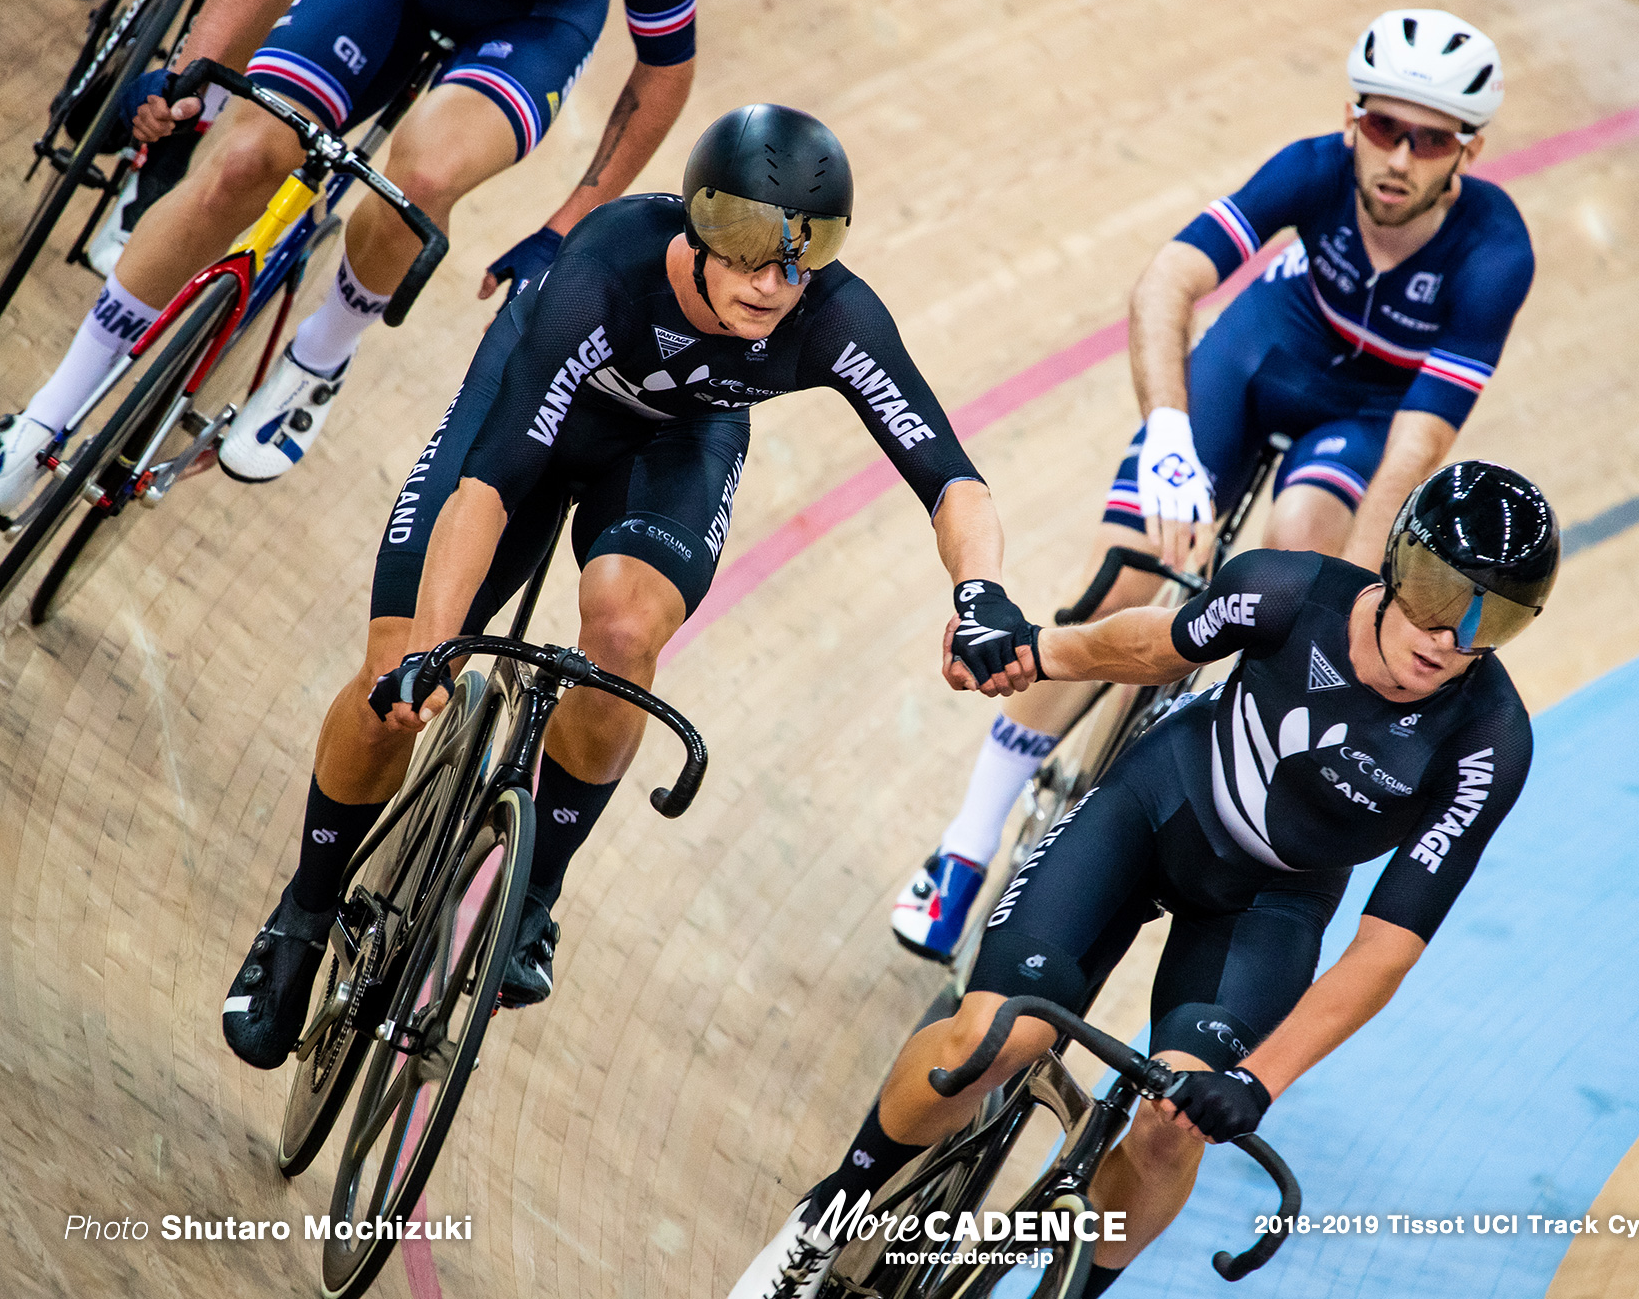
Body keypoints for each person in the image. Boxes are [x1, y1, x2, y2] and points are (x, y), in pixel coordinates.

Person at [218, 103, 1045, 1068]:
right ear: (696, 226)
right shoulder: (606, 271)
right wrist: (437, 647)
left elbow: (950, 475)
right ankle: (304, 914)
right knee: (391, 674)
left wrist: (981, 591)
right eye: (745, 248)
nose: (774, 284)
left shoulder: (833, 316)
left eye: (802, 255)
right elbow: (488, 485)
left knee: (621, 634)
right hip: (533, 416)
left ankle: (533, 895)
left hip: (675, 445)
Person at [728, 460, 1557, 1299]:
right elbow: (1149, 648)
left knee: (1173, 1127)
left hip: (1271, 905)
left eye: (1498, 619)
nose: (1454, 636)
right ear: (1398, 562)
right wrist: (1032, 651)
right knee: (993, 1039)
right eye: (1443, 597)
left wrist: (1256, 1082)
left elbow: (1385, 950)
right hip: (1155, 811)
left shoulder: (1489, 741)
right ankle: (828, 1217)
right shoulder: (1285, 591)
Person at [889, 8, 1535, 963]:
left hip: (1365, 419)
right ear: (1353, 117)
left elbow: (1414, 449)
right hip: (1269, 351)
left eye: (1428, 138)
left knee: (1305, 554)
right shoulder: (1313, 168)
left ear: (1466, 152)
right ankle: (967, 843)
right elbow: (1167, 281)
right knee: (1136, 567)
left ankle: (1164, 735)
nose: (1397, 157)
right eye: (1382, 127)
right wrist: (1166, 432)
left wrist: (1343, 605)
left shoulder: (1493, 255)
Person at [0, 0, 700, 514]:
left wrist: (564, 227)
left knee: (416, 182)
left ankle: (320, 357)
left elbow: (666, 66)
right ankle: (48, 413)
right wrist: (194, 74)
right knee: (239, 160)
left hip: (532, 24)